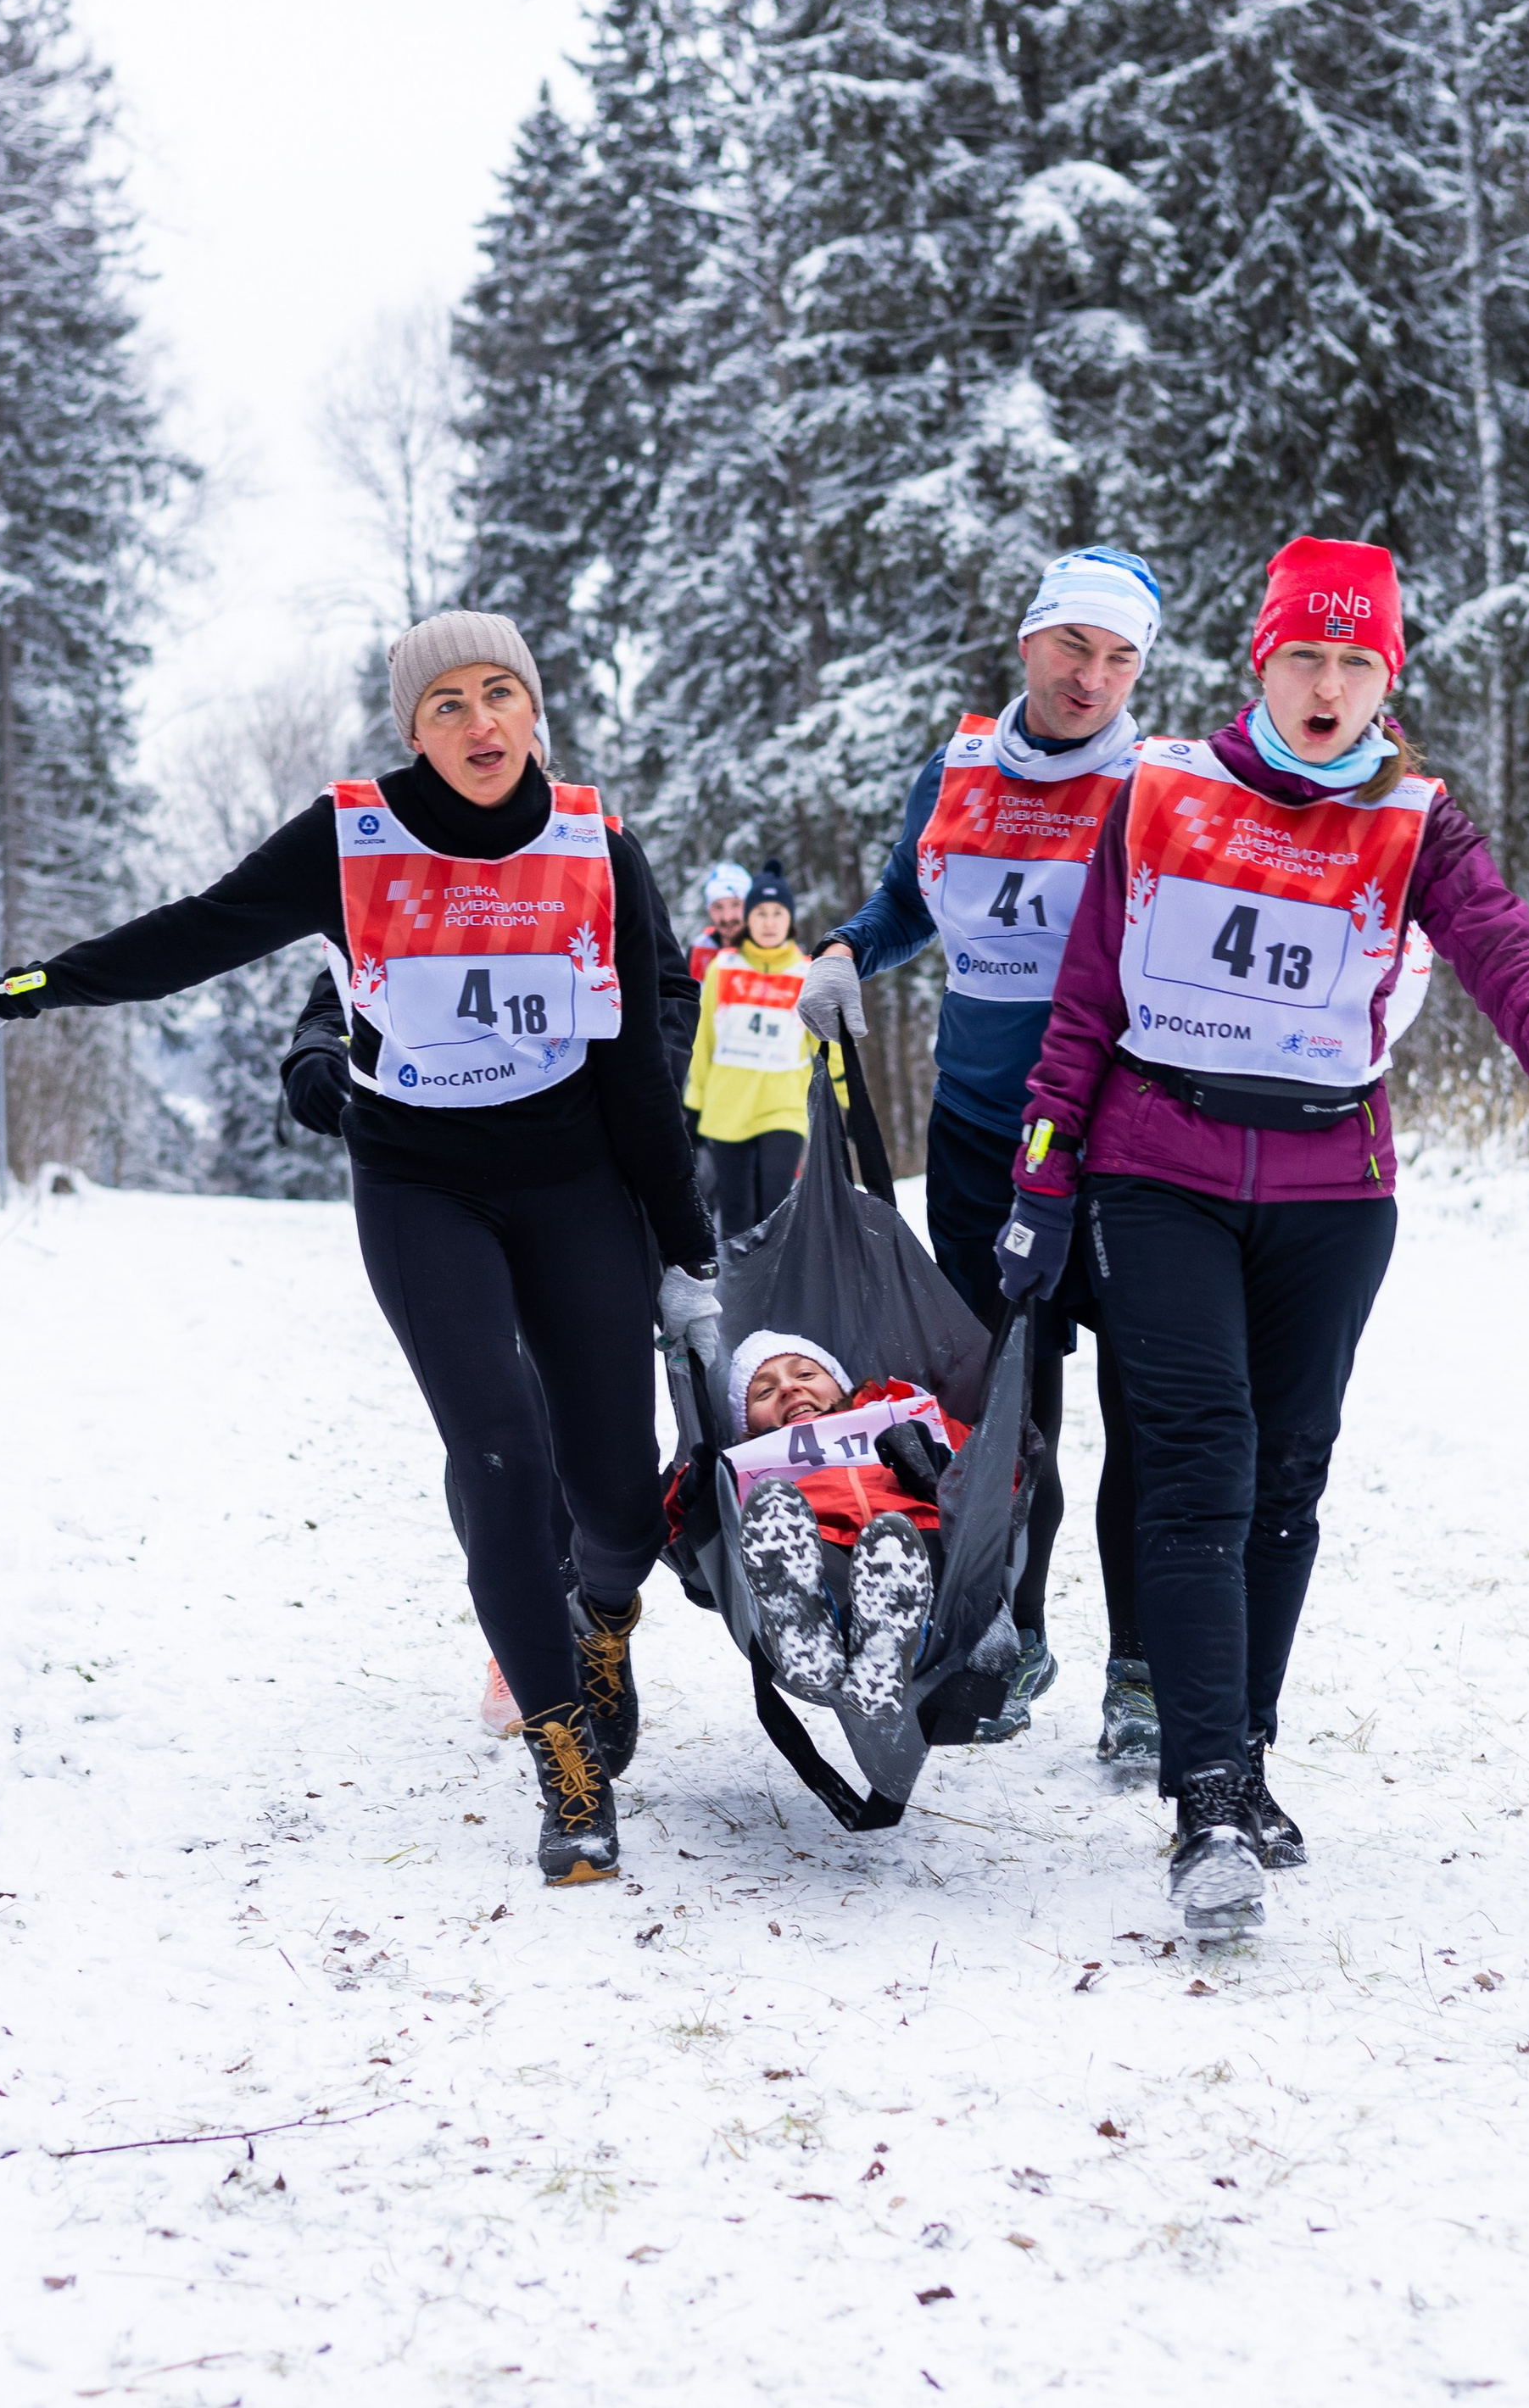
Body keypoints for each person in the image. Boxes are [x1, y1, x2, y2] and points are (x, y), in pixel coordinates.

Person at [0, 611, 717, 1891]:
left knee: (620, 1500)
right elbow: (196, 930)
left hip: (572, 1181)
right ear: (412, 729)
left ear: (534, 712)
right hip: (421, 1181)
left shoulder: (595, 843)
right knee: (501, 1451)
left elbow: (634, 1066)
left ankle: (602, 1618)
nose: (478, 724)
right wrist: (23, 992)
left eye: (500, 694)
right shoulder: (352, 837)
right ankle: (564, 1756)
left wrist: (686, 1246)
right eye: (445, 704)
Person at [998, 535, 1529, 1935]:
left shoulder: (1416, 815)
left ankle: (1251, 1751)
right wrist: (1043, 1179)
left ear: (1385, 677)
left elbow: (1499, 940)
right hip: (1157, 1165)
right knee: (1199, 1463)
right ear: (1263, 663)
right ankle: (1207, 1793)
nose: (1331, 684)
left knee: (1288, 1474)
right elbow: (1086, 1000)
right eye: (1309, 655)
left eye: (1359, 661)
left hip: (1333, 1187)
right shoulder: (1163, 790)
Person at [797, 545, 1160, 1753]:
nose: (1092, 679)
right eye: (1074, 648)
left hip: (1120, 1141)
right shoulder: (955, 770)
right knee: (1005, 1404)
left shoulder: (1162, 786)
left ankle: (1148, 1672)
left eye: (1120, 660)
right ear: (1029, 641)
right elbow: (909, 897)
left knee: (1151, 1407)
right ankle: (1010, 1635)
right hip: (975, 1136)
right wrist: (850, 947)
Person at [276, 831, 705, 1747]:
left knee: (602, 1444)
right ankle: (529, 1640)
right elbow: (348, 989)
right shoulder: (410, 862)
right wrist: (312, 1051)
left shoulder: (596, 852)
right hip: (448, 1185)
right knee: (496, 1428)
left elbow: (666, 987)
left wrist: (637, 1088)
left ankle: (599, 1615)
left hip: (589, 1174)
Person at [693, 1328, 974, 1736]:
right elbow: (674, 1534)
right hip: (820, 1557)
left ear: (840, 1384)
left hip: (926, 1546)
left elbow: (998, 1475)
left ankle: (886, 1646)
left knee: (894, 1543)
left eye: (805, 1375)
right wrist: (695, 1493)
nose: (789, 1389)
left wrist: (944, 1468)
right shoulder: (742, 1467)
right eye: (764, 1392)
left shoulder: (898, 1412)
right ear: (747, 1425)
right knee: (780, 1524)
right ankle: (808, 1631)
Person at [686, 865, 826, 1246]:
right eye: (759, 914)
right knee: (731, 1209)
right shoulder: (715, 962)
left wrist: (843, 1101)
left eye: (777, 914)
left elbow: (825, 1045)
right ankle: (735, 1292)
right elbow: (702, 1038)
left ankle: (775, 1293)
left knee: (775, 1206)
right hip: (726, 1105)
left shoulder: (804, 969)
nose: (768, 923)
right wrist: (692, 1103)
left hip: (781, 1105)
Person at [689, 861, 751, 984]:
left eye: (735, 905)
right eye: (718, 907)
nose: (727, 917)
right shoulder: (699, 948)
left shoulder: (769, 949)